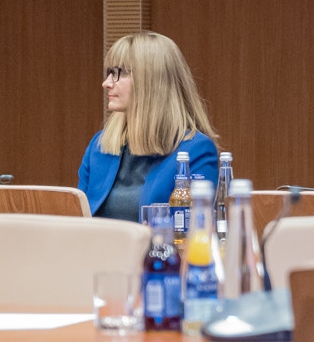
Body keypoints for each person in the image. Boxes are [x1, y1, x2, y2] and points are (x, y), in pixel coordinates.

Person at [78, 31, 219, 219]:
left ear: (150, 81)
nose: (106, 83)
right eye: (109, 72)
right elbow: (79, 219)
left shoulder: (196, 151)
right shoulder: (99, 146)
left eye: (119, 73)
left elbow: (194, 228)